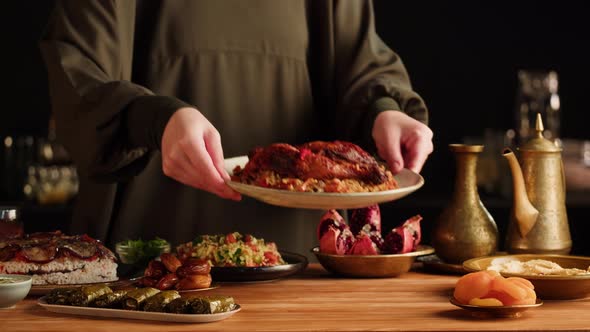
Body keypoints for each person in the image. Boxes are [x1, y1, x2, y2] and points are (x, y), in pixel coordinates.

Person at [40, 0, 433, 256]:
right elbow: (77, 76)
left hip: (304, 268)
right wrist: (155, 118)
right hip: (146, 264)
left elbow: (359, 62)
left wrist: (384, 111)